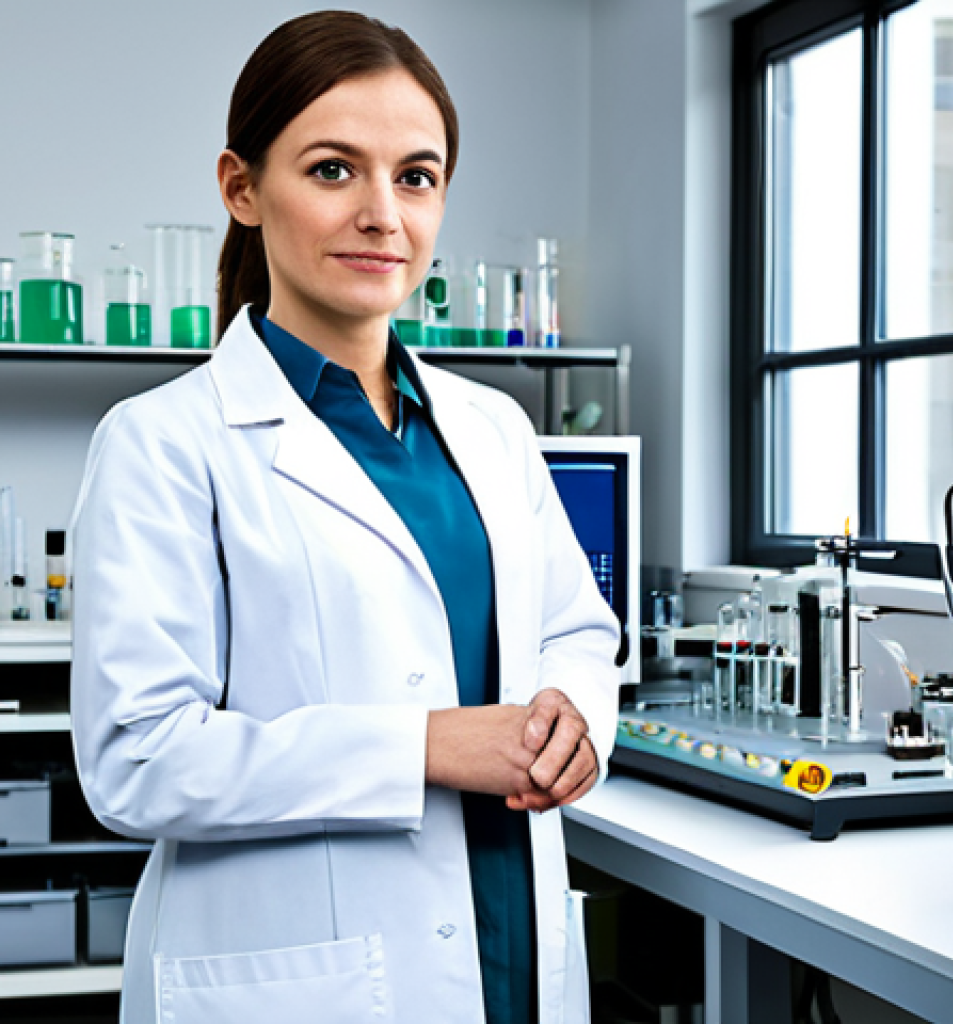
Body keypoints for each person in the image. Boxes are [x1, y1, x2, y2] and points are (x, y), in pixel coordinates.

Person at [71, 11, 620, 1024]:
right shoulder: (163, 442)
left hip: (515, 948)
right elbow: (137, 759)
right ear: (242, 188)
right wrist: (420, 744)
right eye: (333, 170)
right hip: (299, 981)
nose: (383, 213)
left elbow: (577, 631)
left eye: (415, 176)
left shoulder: (491, 426)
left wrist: (575, 714)